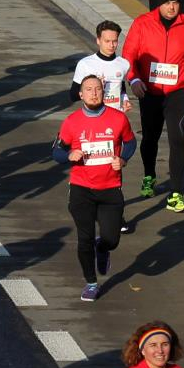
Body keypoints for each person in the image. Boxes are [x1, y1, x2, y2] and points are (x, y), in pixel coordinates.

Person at [122, 0, 184, 213]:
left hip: (177, 93)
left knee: (178, 139)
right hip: (149, 92)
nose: (172, 7)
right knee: (150, 137)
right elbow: (129, 55)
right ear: (159, 4)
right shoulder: (142, 24)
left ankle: (175, 194)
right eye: (168, 3)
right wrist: (134, 79)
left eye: (176, 3)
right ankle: (149, 175)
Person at [59, 74, 136, 302]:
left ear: (104, 93)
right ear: (81, 94)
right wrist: (69, 155)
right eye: (89, 89)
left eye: (98, 89)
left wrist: (122, 159)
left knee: (112, 239)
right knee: (84, 238)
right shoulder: (72, 121)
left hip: (110, 189)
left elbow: (130, 143)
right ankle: (91, 283)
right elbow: (56, 152)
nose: (94, 93)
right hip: (82, 189)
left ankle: (102, 248)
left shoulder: (118, 119)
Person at [72, 21, 134, 115]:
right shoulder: (85, 64)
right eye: (107, 41)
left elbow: (121, 87)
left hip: (116, 115)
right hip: (94, 115)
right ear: (98, 40)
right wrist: (93, 87)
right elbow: (73, 95)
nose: (111, 45)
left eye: (115, 41)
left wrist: (125, 99)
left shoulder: (123, 64)